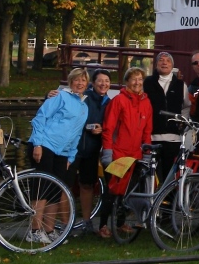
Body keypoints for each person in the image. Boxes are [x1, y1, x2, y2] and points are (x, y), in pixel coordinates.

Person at [26, 68, 89, 245]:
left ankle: (49, 229)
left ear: (87, 84)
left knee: (55, 190)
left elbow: (77, 134)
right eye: (76, 80)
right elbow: (41, 117)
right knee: (42, 187)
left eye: (83, 80)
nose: (80, 83)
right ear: (70, 82)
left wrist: (71, 156)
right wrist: (37, 143)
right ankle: (34, 230)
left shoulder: (84, 107)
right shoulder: (60, 96)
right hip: (45, 144)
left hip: (63, 152)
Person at [99, 67, 153, 239]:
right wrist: (107, 153)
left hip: (135, 154)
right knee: (112, 190)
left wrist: (147, 152)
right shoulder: (119, 100)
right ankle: (102, 225)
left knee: (128, 190)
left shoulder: (146, 102)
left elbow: (147, 130)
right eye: (133, 79)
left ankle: (120, 223)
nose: (137, 83)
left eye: (140, 79)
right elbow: (108, 128)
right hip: (118, 152)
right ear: (127, 82)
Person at [73, 68, 111, 236]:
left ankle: (86, 222)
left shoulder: (109, 102)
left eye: (107, 81)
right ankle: (65, 224)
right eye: (100, 81)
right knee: (65, 185)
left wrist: (102, 129)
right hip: (74, 148)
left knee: (87, 185)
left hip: (92, 150)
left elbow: (110, 126)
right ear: (93, 83)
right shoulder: (84, 98)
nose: (104, 84)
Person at [144, 52, 191, 182]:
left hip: (173, 138)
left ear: (172, 65)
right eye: (161, 60)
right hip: (151, 136)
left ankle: (167, 201)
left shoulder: (181, 85)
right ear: (156, 64)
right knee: (149, 174)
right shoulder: (147, 83)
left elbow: (186, 106)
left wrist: (182, 121)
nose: (164, 63)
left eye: (168, 61)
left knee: (169, 175)